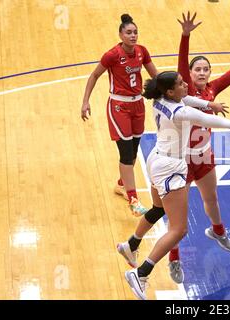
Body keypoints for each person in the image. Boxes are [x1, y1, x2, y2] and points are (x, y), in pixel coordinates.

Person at [118, 12, 230, 285]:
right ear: (186, 77)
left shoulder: (205, 91)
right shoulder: (182, 95)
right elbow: (212, 116)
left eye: (206, 69)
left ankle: (217, 231)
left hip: (201, 155)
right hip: (178, 161)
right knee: (177, 223)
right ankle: (169, 261)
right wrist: (185, 36)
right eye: (197, 70)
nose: (202, 73)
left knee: (210, 199)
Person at [123, 71, 230, 300]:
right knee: (179, 230)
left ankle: (131, 244)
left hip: (156, 159)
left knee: (159, 209)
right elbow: (222, 123)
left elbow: (191, 100)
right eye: (181, 83)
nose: (186, 85)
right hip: (170, 168)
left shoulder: (160, 99)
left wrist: (210, 103)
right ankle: (140, 274)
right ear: (170, 91)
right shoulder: (182, 112)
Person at [81, 14, 157, 216]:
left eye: (135, 32)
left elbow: (155, 76)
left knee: (133, 151)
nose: (133, 36)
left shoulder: (142, 51)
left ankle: (122, 184)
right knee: (125, 153)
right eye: (129, 32)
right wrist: (85, 101)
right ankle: (133, 198)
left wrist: (169, 92)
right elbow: (95, 75)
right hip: (118, 107)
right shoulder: (112, 55)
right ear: (120, 34)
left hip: (138, 105)